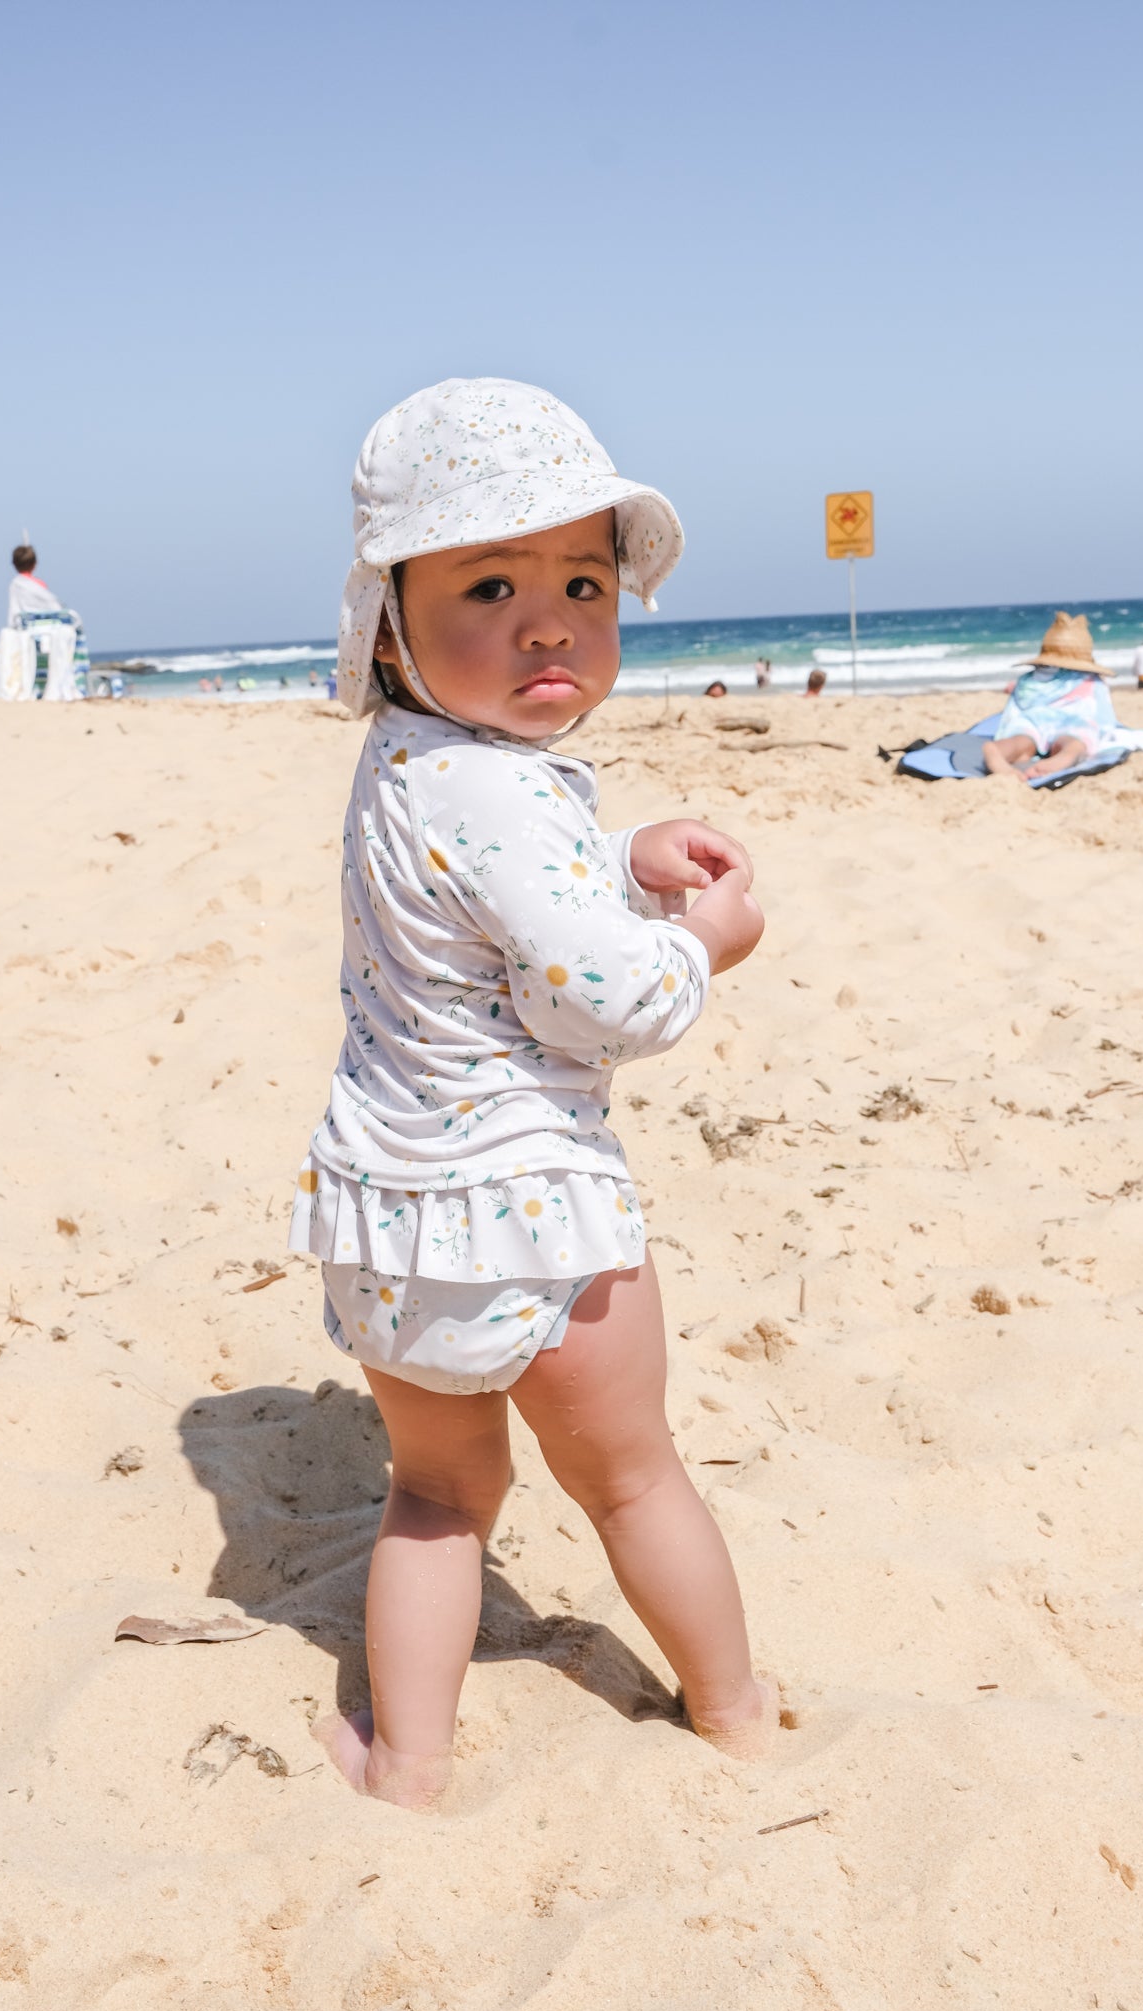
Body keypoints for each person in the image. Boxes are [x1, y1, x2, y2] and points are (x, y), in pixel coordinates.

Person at [290, 377, 776, 1810]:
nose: (549, 619)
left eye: (582, 579)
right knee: (630, 1479)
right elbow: (598, 999)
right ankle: (735, 1712)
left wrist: (621, 857)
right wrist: (699, 942)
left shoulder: (410, 762)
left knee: (437, 1498)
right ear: (391, 621)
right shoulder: (504, 796)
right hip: (537, 1213)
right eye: (489, 585)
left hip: (392, 1215)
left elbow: (483, 900)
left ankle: (409, 1761)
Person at [983, 611, 1120, 782]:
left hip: (1032, 721)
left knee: (1022, 741)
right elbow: (1101, 716)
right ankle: (1067, 755)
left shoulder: (1029, 679)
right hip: (1071, 722)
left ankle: (997, 750)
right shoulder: (1090, 680)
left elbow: (1017, 702)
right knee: (1074, 741)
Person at [7, 542, 62, 626]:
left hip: (24, 626)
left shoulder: (15, 585)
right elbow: (53, 606)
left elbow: (14, 610)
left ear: (14, 564)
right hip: (46, 625)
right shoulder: (40, 585)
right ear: (34, 564)